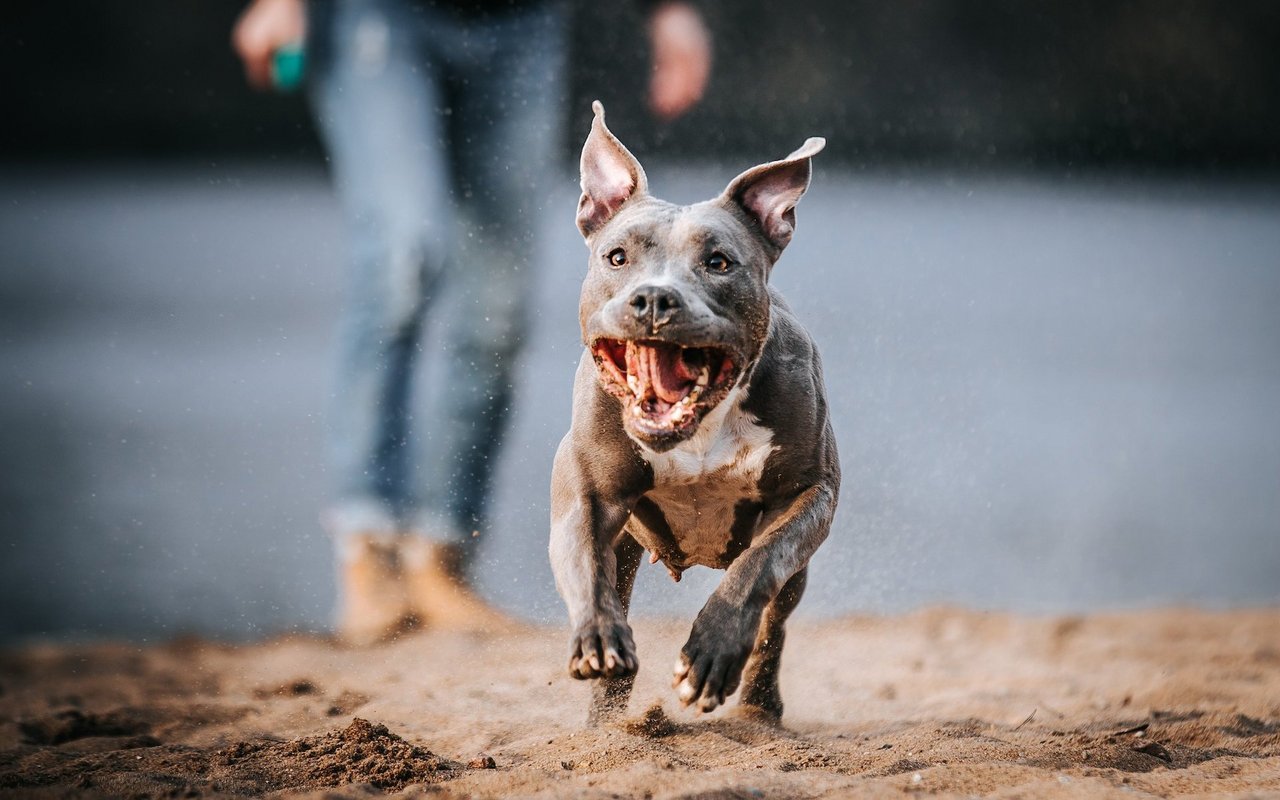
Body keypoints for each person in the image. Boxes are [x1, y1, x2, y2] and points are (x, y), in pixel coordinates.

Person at [233, 0, 711, 644]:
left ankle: (440, 560)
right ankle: (367, 554)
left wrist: (669, 11)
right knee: (405, 255)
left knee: (499, 305)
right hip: (377, 17)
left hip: (522, 26)